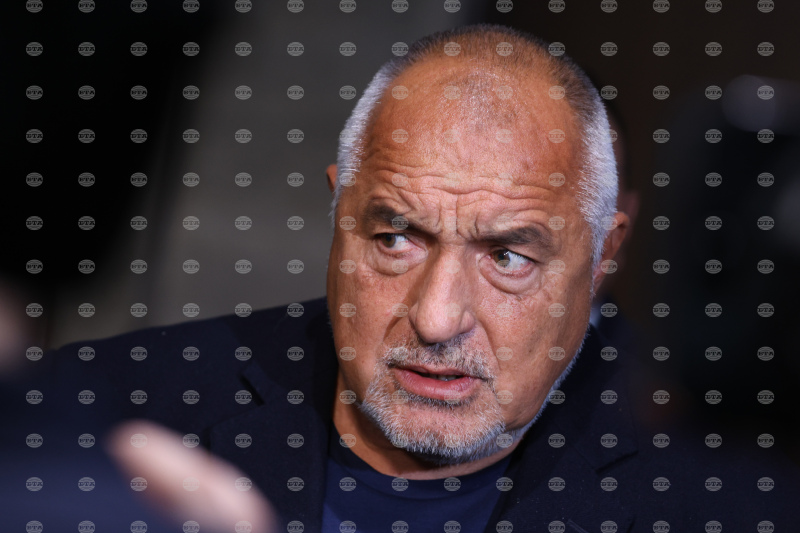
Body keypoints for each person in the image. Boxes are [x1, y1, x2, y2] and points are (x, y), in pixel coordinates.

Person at [9, 24, 795, 533]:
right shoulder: (97, 412)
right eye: (395, 238)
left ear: (604, 254)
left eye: (508, 256)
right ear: (339, 210)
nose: (437, 317)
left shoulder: (734, 489)